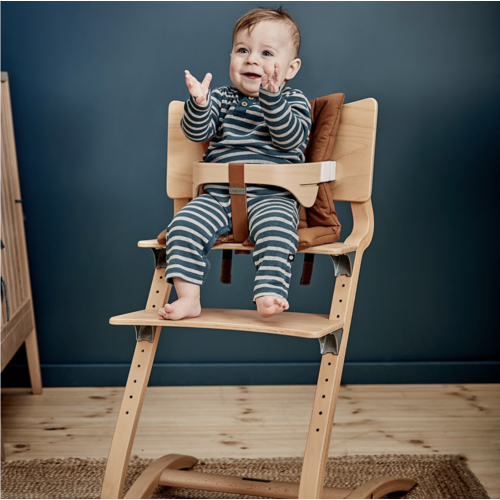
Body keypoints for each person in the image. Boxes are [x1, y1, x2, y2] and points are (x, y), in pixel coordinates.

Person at [159, 7, 311, 321]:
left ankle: (269, 292)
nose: (252, 59)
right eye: (242, 50)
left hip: (272, 196)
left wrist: (273, 100)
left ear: (291, 68)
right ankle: (189, 297)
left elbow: (291, 140)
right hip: (218, 196)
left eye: (266, 53)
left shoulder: (294, 100)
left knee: (280, 231)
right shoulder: (222, 98)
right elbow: (196, 132)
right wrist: (200, 104)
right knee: (182, 226)